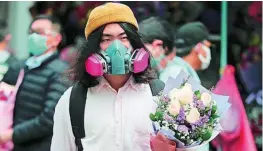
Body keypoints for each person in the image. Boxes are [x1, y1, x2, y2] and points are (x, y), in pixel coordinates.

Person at [51, 3, 175, 151]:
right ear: (93, 48)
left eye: (123, 38)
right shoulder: (73, 99)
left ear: (135, 44)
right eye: (106, 39)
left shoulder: (159, 95)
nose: (116, 47)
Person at [0, 15, 70, 151]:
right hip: (15, 145)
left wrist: (11, 135)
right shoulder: (21, 67)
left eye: (39, 33)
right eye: (31, 32)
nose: (33, 37)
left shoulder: (61, 72)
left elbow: (50, 118)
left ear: (56, 39)